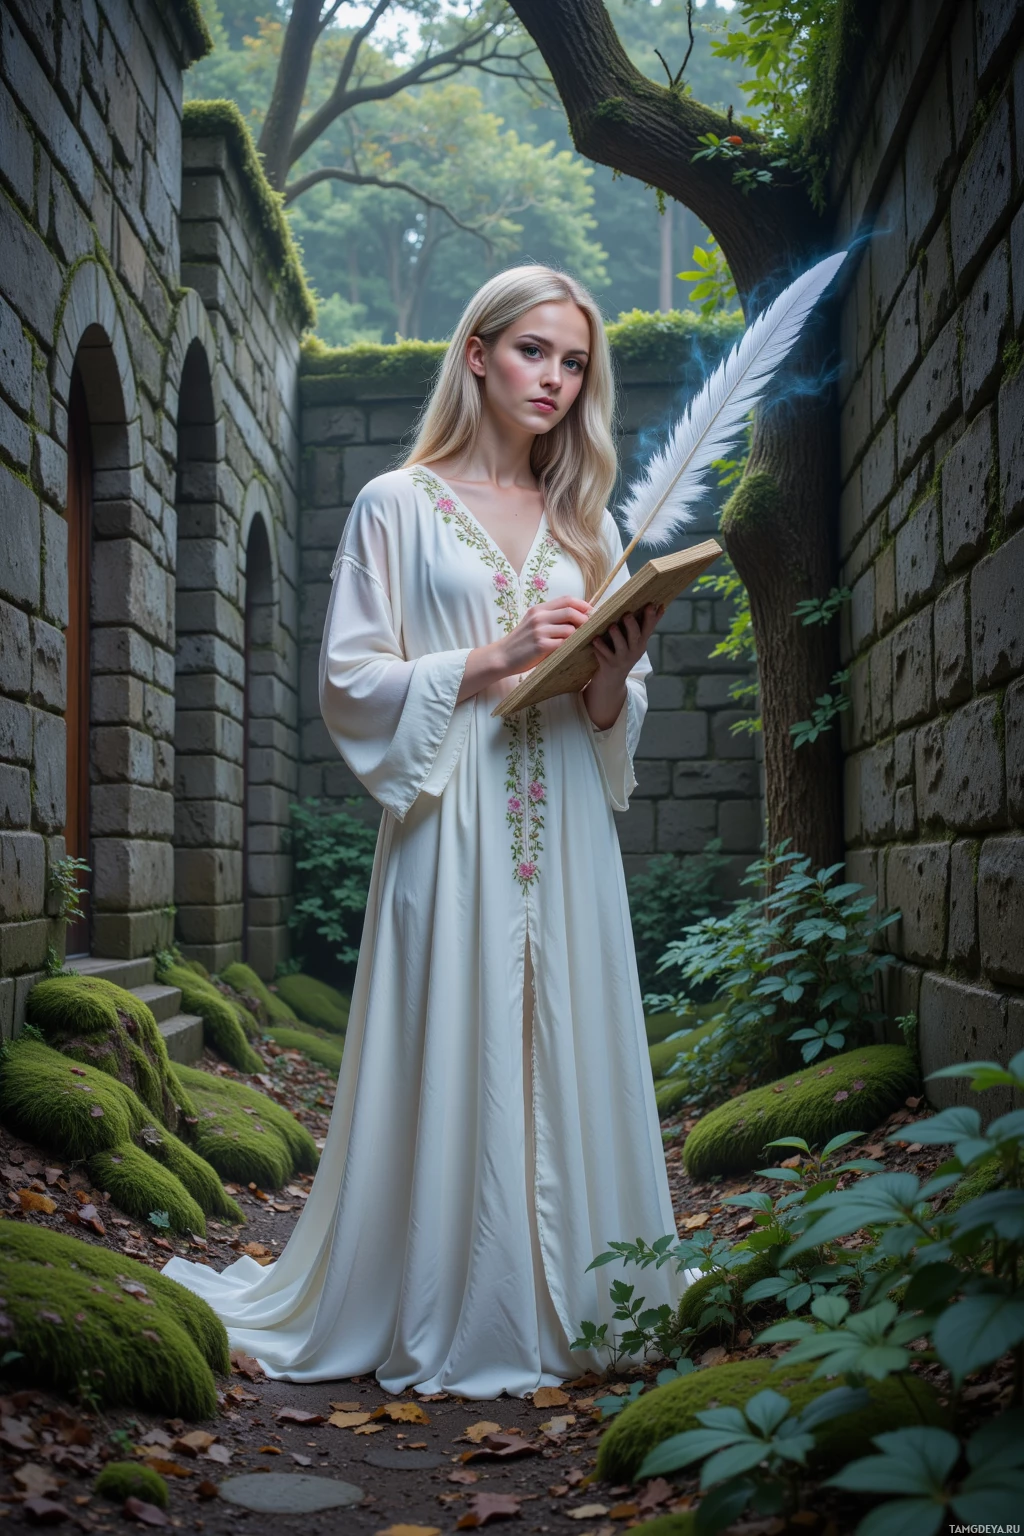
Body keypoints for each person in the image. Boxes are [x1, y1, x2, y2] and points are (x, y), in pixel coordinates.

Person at [162, 265, 687, 1398]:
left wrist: (612, 673)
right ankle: (452, 1298)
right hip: (451, 829)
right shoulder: (396, 504)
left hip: (568, 836)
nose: (555, 379)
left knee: (569, 1029)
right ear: (476, 354)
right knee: (458, 1037)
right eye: (535, 351)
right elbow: (350, 680)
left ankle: (589, 1296)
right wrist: (495, 656)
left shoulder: (579, 519)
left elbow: (609, 722)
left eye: (575, 362)